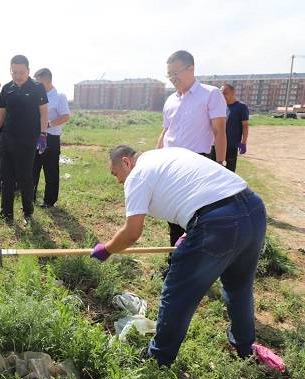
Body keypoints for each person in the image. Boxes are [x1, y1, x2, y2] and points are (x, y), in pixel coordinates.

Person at [90, 145, 266, 367]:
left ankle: (158, 359)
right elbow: (195, 189)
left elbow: (132, 233)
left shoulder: (138, 175)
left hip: (218, 223)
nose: (118, 181)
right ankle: (245, 348)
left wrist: (107, 249)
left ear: (126, 162)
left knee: (177, 293)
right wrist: (190, 231)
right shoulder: (166, 155)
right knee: (239, 288)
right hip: (252, 209)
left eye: (116, 174)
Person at [156, 50, 228, 257]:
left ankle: (195, 263)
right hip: (170, 164)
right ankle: (175, 260)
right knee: (173, 215)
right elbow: (165, 131)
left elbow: (219, 130)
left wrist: (220, 163)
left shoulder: (210, 94)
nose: (172, 78)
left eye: (176, 73)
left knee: (194, 218)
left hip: (196, 164)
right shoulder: (170, 100)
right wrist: (156, 157)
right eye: (169, 74)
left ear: (191, 69)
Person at [0, 55, 49, 224]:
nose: (18, 75)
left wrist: (43, 134)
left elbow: (44, 112)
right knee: (5, 176)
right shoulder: (7, 88)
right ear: (10, 71)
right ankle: (6, 213)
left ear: (28, 71)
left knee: (24, 177)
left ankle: (28, 213)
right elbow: (2, 112)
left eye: (21, 72)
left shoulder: (37, 88)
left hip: (28, 140)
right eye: (14, 72)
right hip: (7, 139)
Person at [32, 68, 70, 208]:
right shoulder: (37, 96)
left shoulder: (59, 96)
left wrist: (49, 124)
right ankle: (31, 197)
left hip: (51, 138)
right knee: (33, 168)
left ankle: (49, 201)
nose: (37, 85)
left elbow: (66, 116)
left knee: (50, 170)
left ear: (47, 80)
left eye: (39, 82)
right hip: (36, 137)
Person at [221, 83, 249, 172]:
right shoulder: (221, 106)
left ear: (233, 93)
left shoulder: (241, 107)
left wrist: (243, 142)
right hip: (218, 144)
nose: (223, 95)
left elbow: (245, 126)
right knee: (217, 169)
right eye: (221, 93)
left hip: (232, 145)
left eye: (225, 93)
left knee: (230, 170)